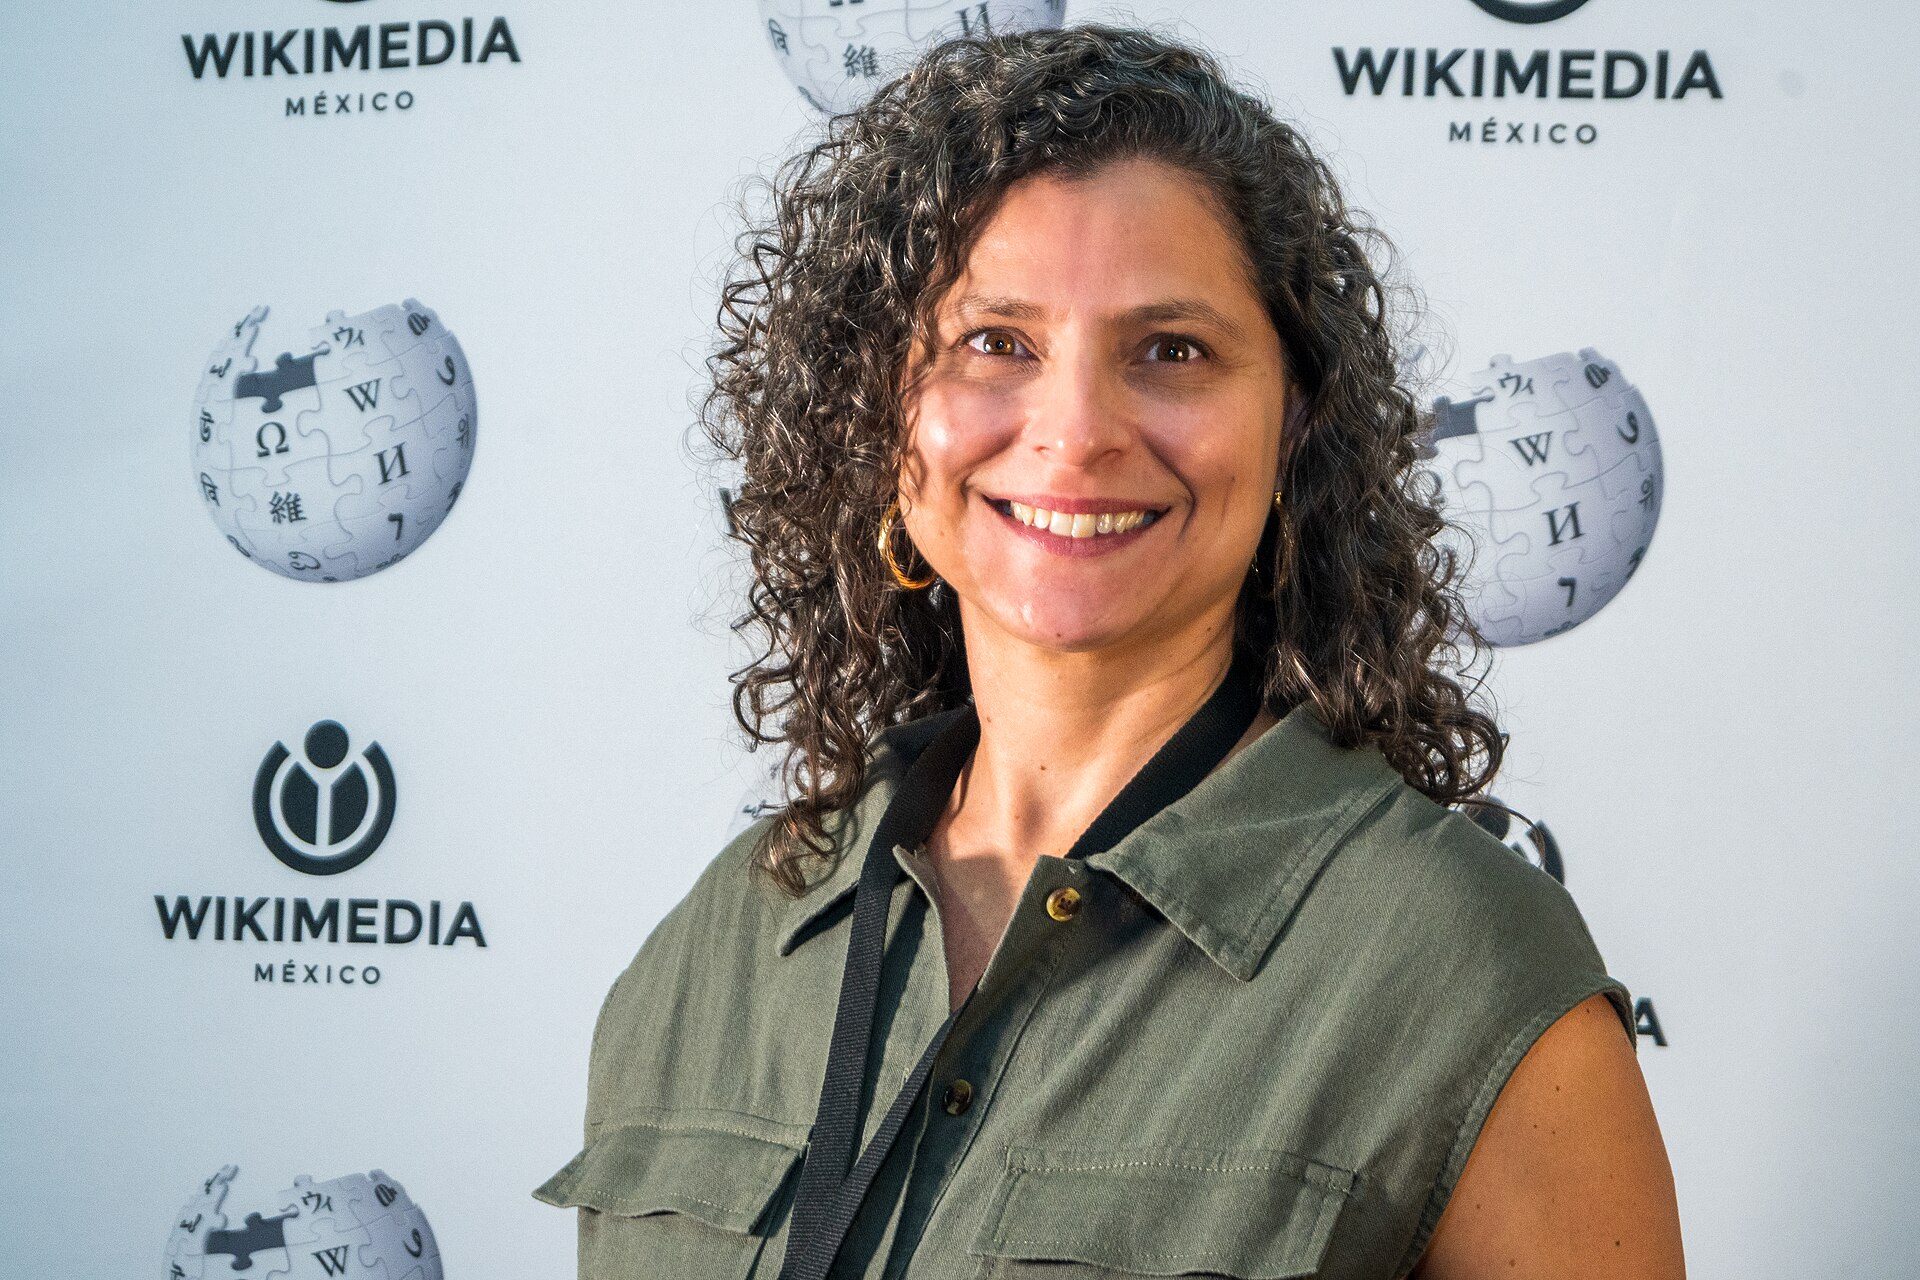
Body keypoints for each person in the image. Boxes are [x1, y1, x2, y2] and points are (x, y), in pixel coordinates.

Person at [534, 22, 1684, 1280]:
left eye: (1171, 350)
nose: (1074, 432)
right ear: (881, 409)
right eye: (996, 343)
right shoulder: (721, 944)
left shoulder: (1468, 978)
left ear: (1295, 421)